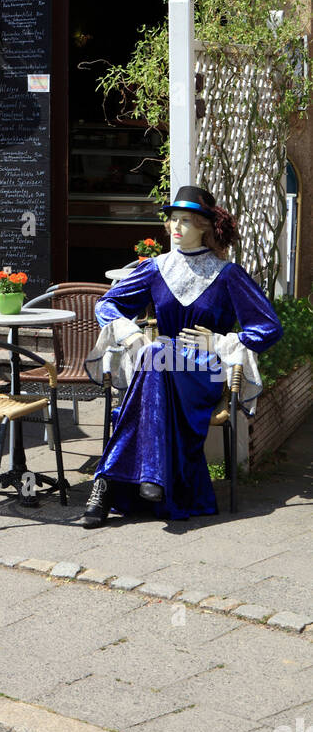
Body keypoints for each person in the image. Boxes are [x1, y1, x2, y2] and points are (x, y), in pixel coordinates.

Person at [80, 186, 282, 526]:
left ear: (204, 226)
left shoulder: (227, 275)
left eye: (185, 220)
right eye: (172, 220)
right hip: (162, 365)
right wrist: (129, 333)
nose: (175, 227)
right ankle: (149, 475)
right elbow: (106, 304)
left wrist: (220, 342)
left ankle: (109, 481)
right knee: (155, 354)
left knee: (153, 356)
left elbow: (269, 327)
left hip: (205, 371)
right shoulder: (156, 269)